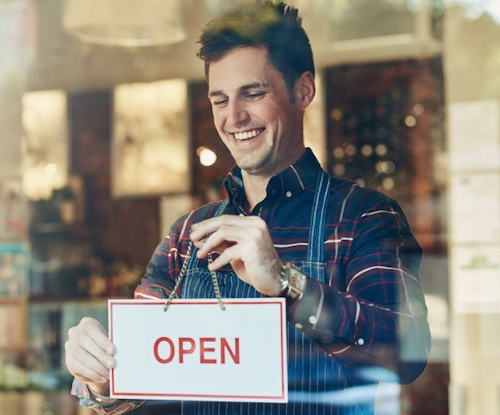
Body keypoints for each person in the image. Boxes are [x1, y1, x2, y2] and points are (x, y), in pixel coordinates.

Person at [64, 1, 431, 414]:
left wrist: (287, 284)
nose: (234, 117)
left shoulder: (362, 217)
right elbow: (135, 376)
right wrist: (98, 374)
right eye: (219, 100)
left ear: (303, 91)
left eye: (253, 94)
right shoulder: (189, 234)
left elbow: (407, 353)